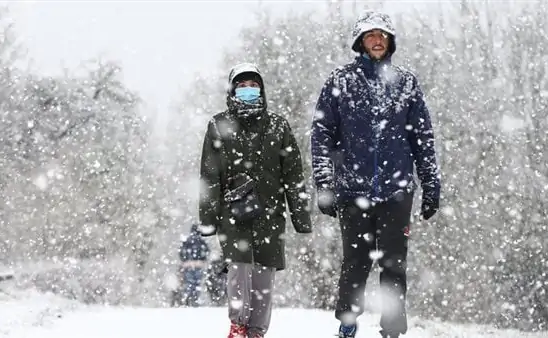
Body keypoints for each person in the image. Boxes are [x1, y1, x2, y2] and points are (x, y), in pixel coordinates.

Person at [311, 11, 441, 338]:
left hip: (397, 192)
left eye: (383, 35)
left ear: (391, 41)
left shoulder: (406, 83)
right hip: (353, 191)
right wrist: (324, 182)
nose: (377, 40)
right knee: (355, 263)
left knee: (394, 267)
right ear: (360, 41)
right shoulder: (341, 81)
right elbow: (321, 133)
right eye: (370, 35)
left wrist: (431, 183)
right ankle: (348, 323)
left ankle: (393, 331)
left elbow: (422, 137)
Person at [199, 62, 312, 338]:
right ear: (232, 90)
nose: (248, 90)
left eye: (253, 86)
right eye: (242, 85)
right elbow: (210, 175)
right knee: (239, 271)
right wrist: (208, 219)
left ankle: (257, 332)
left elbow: (294, 174)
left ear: (261, 90)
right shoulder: (219, 125)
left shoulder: (278, 126)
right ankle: (237, 327)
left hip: (270, 216)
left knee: (263, 278)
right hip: (233, 213)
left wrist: (301, 216)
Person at [178, 223, 210, 307]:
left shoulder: (187, 241)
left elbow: (181, 253)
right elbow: (206, 252)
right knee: (197, 283)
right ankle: (195, 299)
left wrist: (185, 261)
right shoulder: (201, 241)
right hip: (199, 265)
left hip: (188, 265)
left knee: (189, 283)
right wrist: (202, 260)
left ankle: (189, 299)